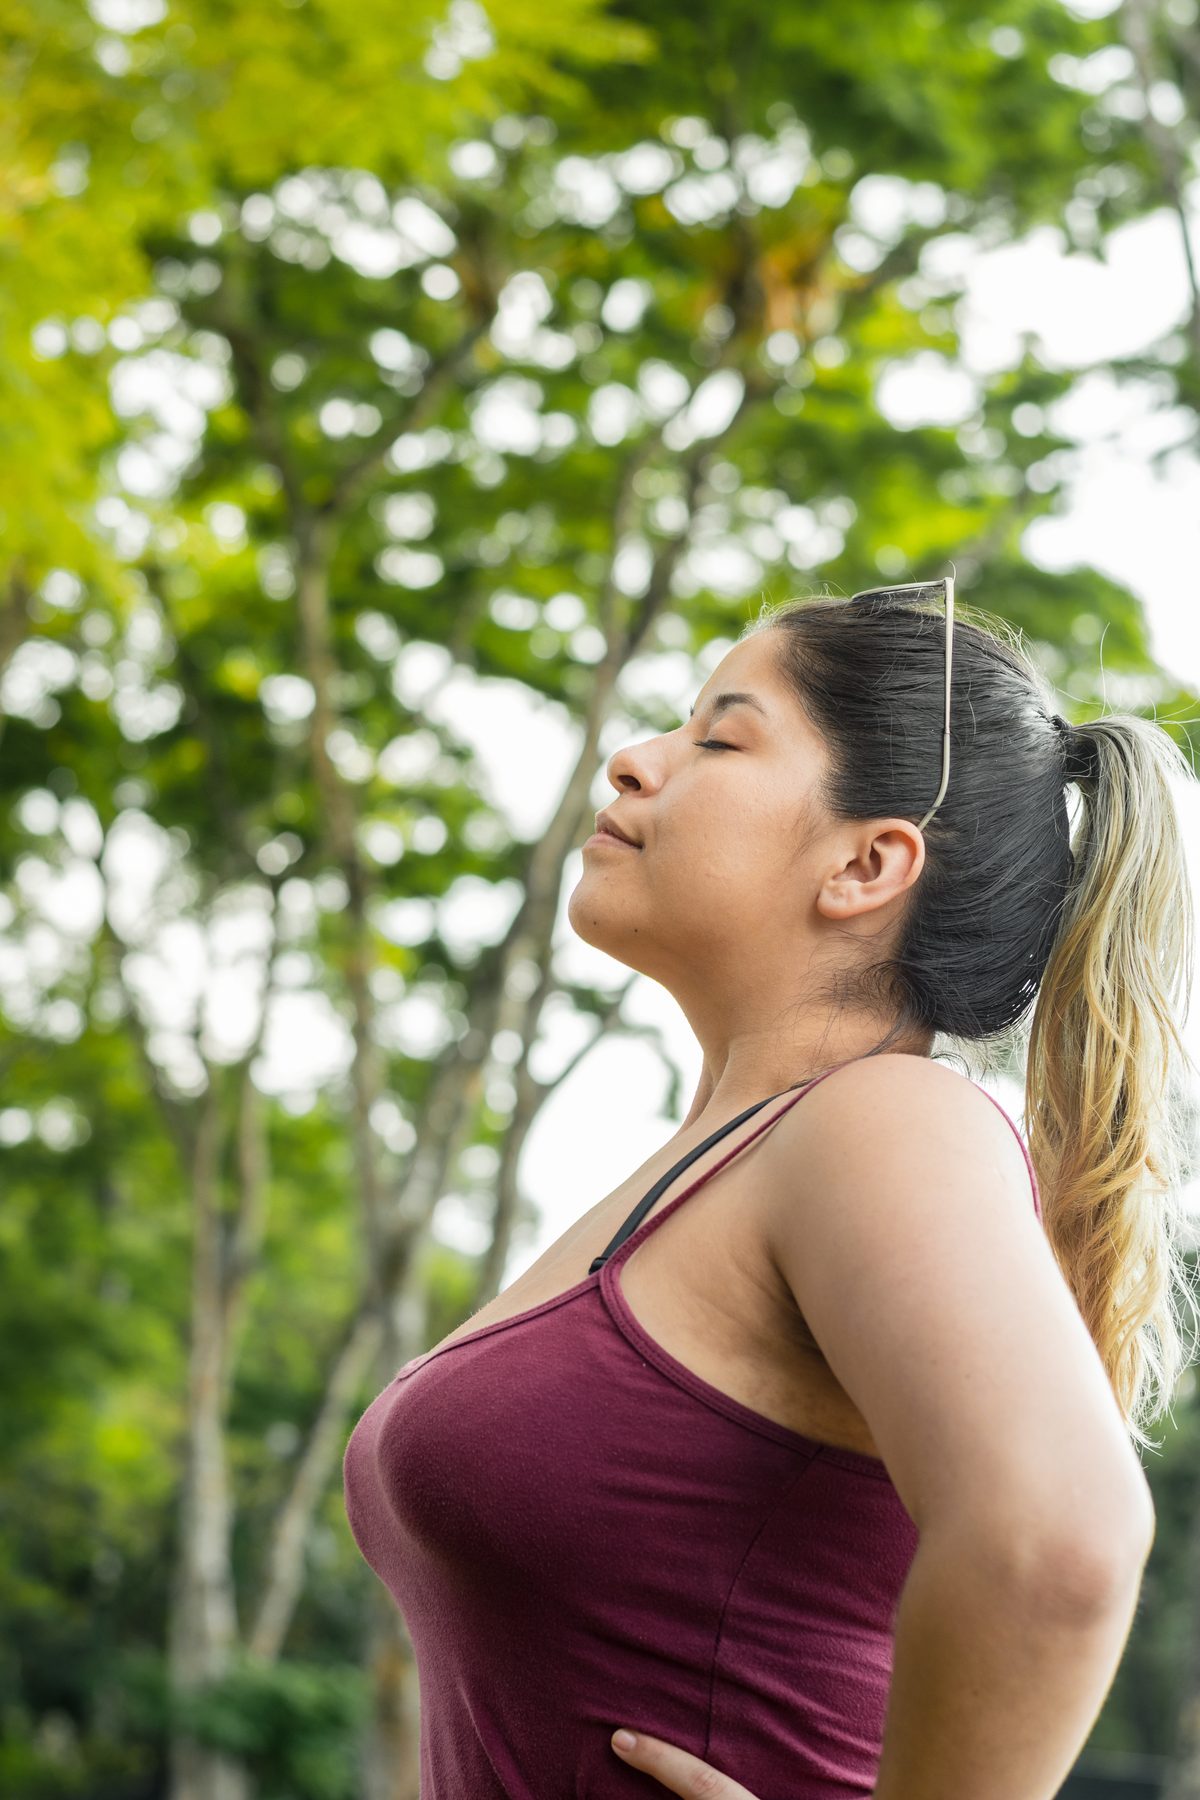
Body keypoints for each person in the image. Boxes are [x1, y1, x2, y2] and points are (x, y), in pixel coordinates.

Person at [343, 584, 1197, 1800]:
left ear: (865, 863)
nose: (634, 760)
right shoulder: (707, 1168)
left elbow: (1061, 1540)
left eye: (719, 739)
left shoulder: (881, 1119)